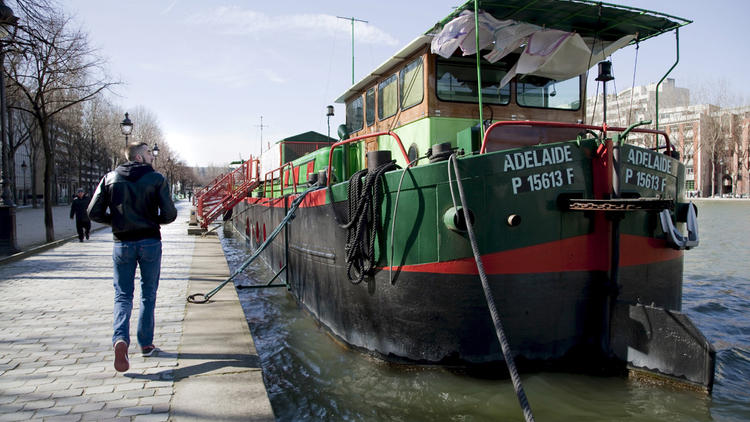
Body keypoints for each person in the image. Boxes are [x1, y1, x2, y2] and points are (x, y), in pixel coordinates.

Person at [88, 142, 177, 373]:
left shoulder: (110, 178)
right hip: (149, 242)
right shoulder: (156, 179)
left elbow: (93, 212)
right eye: (149, 152)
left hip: (122, 243)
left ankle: (120, 340)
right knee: (148, 294)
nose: (152, 156)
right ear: (138, 157)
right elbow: (170, 214)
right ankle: (146, 344)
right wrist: (152, 220)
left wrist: (118, 222)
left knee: (122, 295)